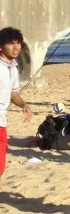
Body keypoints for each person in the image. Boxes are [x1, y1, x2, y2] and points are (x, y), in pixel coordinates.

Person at [0, 27, 33, 179]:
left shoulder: (13, 67)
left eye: (18, 43)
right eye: (11, 43)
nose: (16, 47)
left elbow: (13, 93)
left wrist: (24, 105)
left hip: (2, 122)